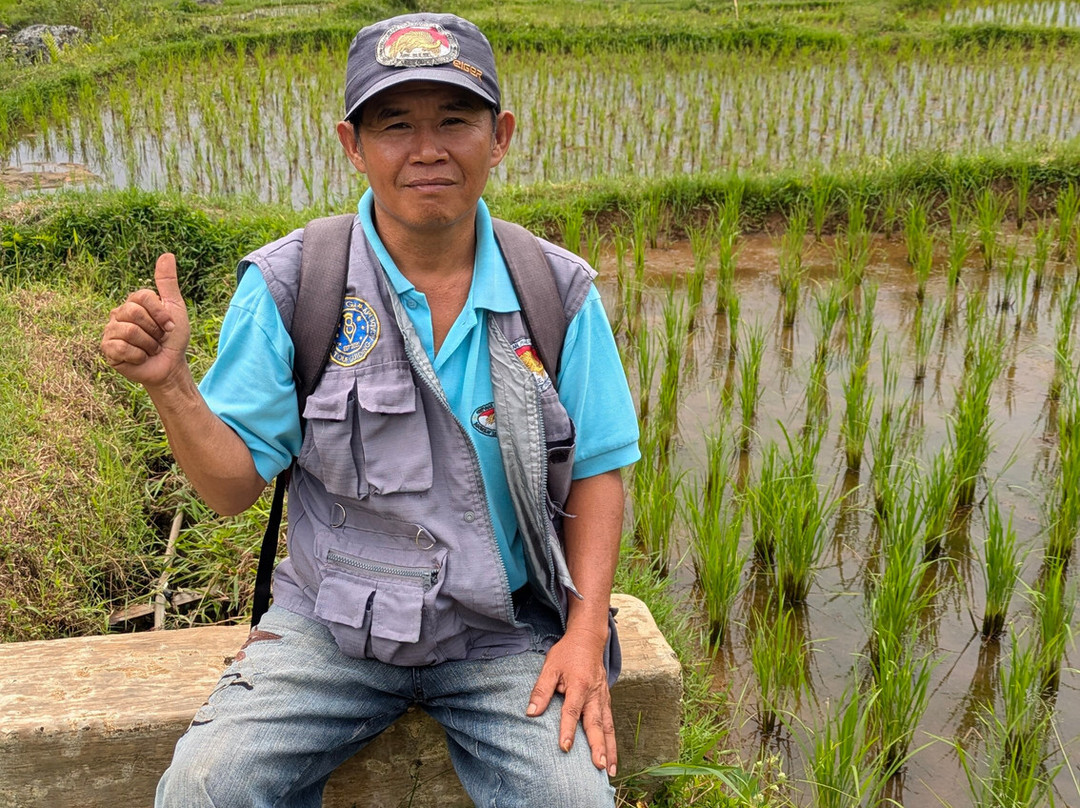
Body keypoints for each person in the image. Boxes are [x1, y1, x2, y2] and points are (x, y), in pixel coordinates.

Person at [101, 12, 640, 808]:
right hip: (329, 629)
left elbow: (597, 470)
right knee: (205, 789)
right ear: (354, 145)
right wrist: (170, 384)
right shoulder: (294, 285)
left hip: (501, 631)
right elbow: (229, 489)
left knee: (575, 800)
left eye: (455, 119)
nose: (427, 149)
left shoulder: (555, 292)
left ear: (501, 136)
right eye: (395, 125)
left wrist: (585, 632)